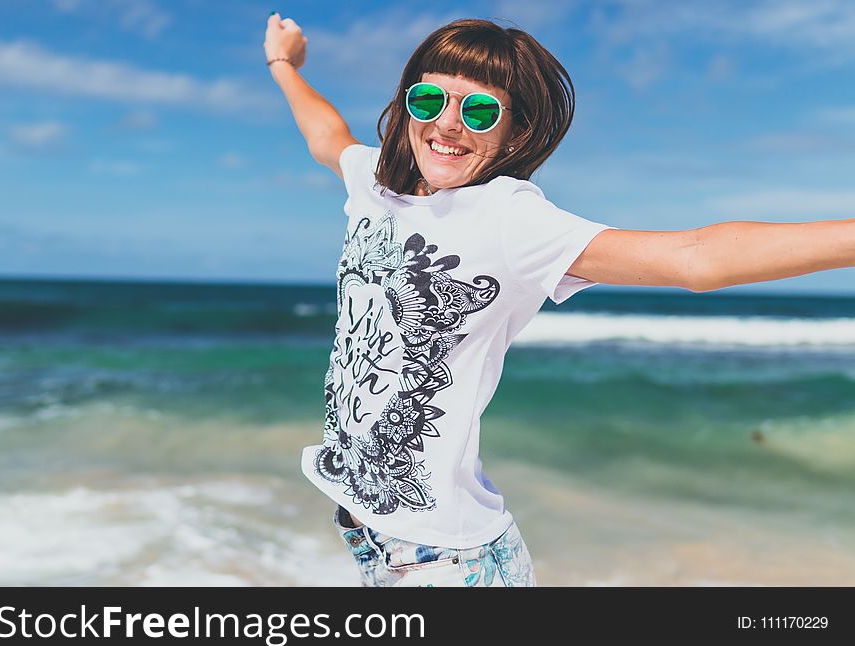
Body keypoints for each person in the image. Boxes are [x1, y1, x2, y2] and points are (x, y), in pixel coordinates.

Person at [264, 13, 855, 587]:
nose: (446, 125)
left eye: (478, 110)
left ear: (514, 132)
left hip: (446, 564)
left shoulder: (508, 217)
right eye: (428, 100)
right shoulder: (374, 182)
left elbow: (696, 257)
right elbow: (325, 136)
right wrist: (283, 64)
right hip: (376, 545)